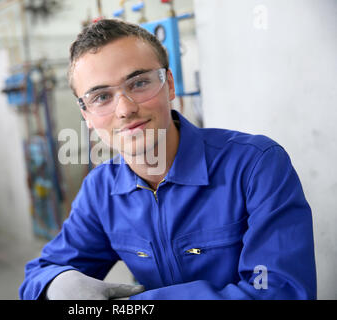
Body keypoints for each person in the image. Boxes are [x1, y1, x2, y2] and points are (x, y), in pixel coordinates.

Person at [19, 19, 316, 300]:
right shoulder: (101, 191)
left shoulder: (255, 167)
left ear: (169, 85)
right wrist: (54, 284)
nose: (124, 109)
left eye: (138, 83)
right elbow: (39, 274)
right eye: (101, 97)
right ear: (86, 116)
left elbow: (282, 290)